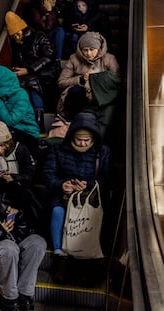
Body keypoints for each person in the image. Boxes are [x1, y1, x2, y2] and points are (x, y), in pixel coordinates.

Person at [43, 112, 111, 284]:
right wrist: (61, 184)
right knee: (57, 211)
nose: (82, 143)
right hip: (63, 195)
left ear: (93, 138)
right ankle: (60, 256)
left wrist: (87, 185)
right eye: (79, 139)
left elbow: (106, 179)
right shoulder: (58, 149)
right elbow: (48, 174)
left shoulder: (102, 152)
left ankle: (86, 262)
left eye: (86, 140)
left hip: (89, 197)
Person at [57, 31, 120, 136]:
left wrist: (95, 79)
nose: (88, 53)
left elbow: (117, 80)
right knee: (76, 91)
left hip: (103, 97)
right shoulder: (74, 58)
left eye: (92, 50)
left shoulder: (109, 59)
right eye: (85, 50)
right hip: (80, 98)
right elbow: (61, 82)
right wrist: (80, 79)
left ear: (99, 49)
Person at [4, 11, 60, 132]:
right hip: (30, 74)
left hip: (45, 73)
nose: (14, 38)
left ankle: (39, 119)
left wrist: (28, 69)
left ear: (21, 30)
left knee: (31, 84)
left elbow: (48, 57)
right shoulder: (18, 44)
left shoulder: (39, 37)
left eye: (15, 35)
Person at [0, 120, 42, 225]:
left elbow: (31, 174)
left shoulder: (21, 149)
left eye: (2, 145)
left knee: (26, 197)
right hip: (0, 190)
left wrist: (14, 177)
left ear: (8, 142)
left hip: (21, 188)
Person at [0, 65, 40, 154]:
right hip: (14, 131)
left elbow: (10, 120)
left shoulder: (21, 96)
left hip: (28, 134)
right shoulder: (4, 96)